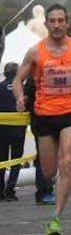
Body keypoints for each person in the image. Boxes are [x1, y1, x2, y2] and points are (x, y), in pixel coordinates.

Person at [12, 4, 71, 235]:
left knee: (66, 160)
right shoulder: (35, 52)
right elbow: (17, 80)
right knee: (49, 171)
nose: (57, 25)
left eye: (61, 20)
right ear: (47, 24)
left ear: (67, 23)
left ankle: (57, 217)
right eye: (53, 21)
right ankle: (54, 190)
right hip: (44, 115)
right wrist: (20, 98)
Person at [0, 63, 27, 201]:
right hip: (18, 129)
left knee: (1, 160)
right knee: (16, 160)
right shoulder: (21, 88)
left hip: (1, 130)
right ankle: (10, 190)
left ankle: (0, 192)